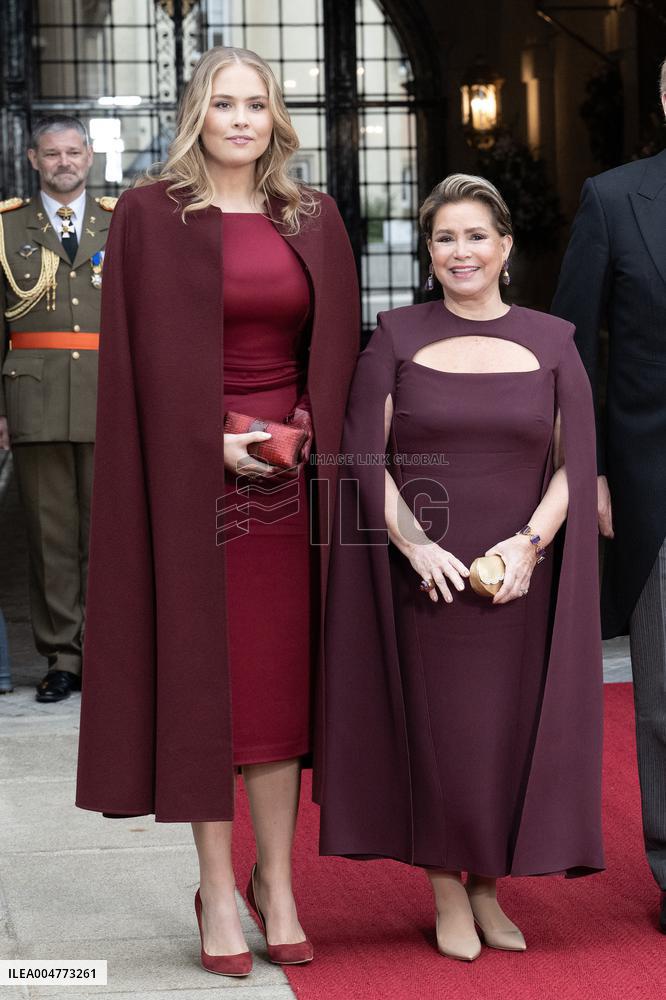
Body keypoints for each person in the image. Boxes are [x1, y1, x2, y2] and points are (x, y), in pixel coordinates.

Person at [75, 47, 359, 977]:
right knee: (210, 693)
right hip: (192, 486)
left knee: (278, 693)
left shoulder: (311, 218)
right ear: (197, 112)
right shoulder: (156, 215)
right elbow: (138, 362)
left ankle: (275, 883)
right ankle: (214, 887)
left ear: (277, 119)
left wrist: (307, 427)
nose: (240, 119)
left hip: (290, 484)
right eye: (223, 103)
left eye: (257, 105)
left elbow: (338, 351)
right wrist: (210, 439)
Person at [320, 174, 604, 962]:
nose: (461, 251)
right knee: (438, 734)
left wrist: (529, 545)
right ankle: (447, 886)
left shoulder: (554, 342)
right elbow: (359, 456)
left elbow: (575, 462)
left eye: (477, 235)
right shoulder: (396, 337)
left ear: (506, 247)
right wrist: (414, 544)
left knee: (505, 736)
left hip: (518, 576)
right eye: (446, 237)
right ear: (430, 250)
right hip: (427, 575)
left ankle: (488, 886)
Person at [552, 58, 666, 935]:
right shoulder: (615, 198)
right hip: (651, 480)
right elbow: (574, 348)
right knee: (664, 694)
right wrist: (583, 469)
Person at [0, 115, 114, 703]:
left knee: (108, 533)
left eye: (73, 152)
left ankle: (106, 651)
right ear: (32, 159)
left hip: (107, 396)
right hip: (34, 396)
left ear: (90, 157)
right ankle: (62, 657)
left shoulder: (120, 224)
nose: (63, 162)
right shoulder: (5, 226)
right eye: (52, 154)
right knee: (50, 536)